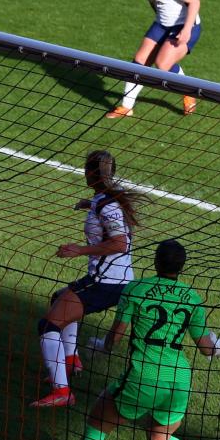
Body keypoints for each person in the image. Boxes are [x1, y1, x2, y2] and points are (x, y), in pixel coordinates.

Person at [44, 239, 220, 440]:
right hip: (179, 381)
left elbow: (116, 336)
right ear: (181, 267)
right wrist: (219, 347)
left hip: (143, 377)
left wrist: (101, 346)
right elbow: (205, 348)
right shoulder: (192, 297)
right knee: (160, 439)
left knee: (97, 422)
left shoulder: (137, 289)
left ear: (156, 262)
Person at [30, 150, 144, 408]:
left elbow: (119, 243)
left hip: (107, 282)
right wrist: (88, 204)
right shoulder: (107, 197)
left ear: (91, 173)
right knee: (60, 298)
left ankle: (62, 391)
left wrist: (80, 250)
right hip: (112, 279)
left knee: (47, 325)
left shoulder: (109, 204)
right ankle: (71, 361)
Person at [106, 0, 202, 120]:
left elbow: (194, 1)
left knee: (163, 64)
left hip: (186, 25)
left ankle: (188, 91)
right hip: (162, 24)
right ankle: (127, 107)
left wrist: (187, 30)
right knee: (139, 61)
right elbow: (154, 1)